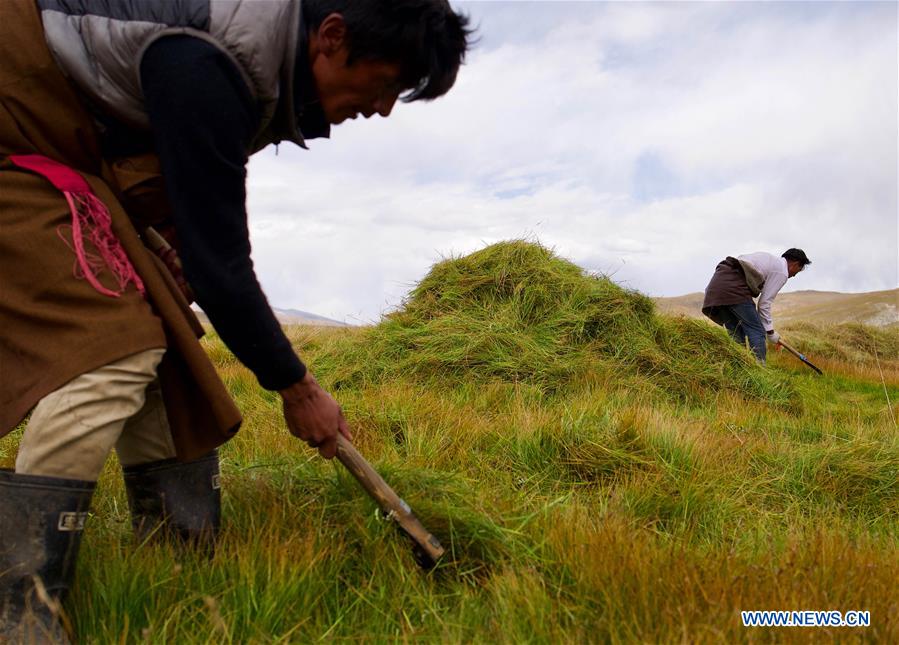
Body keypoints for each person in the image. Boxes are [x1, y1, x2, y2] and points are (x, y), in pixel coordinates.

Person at [0, 0, 473, 639]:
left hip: (66, 149)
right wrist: (297, 388)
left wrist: (165, 240)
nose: (383, 108)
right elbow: (222, 264)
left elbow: (189, 198)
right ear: (332, 36)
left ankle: (179, 571)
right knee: (110, 349)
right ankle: (20, 610)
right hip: (17, 130)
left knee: (169, 341)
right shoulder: (211, 62)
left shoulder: (256, 65)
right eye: (386, 84)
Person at [701, 248, 811, 362]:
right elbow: (764, 303)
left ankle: (739, 367)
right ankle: (759, 369)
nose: (793, 276)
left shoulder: (768, 260)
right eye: (797, 271)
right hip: (734, 287)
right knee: (757, 331)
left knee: (736, 332)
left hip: (715, 289)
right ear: (795, 264)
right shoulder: (781, 270)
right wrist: (770, 332)